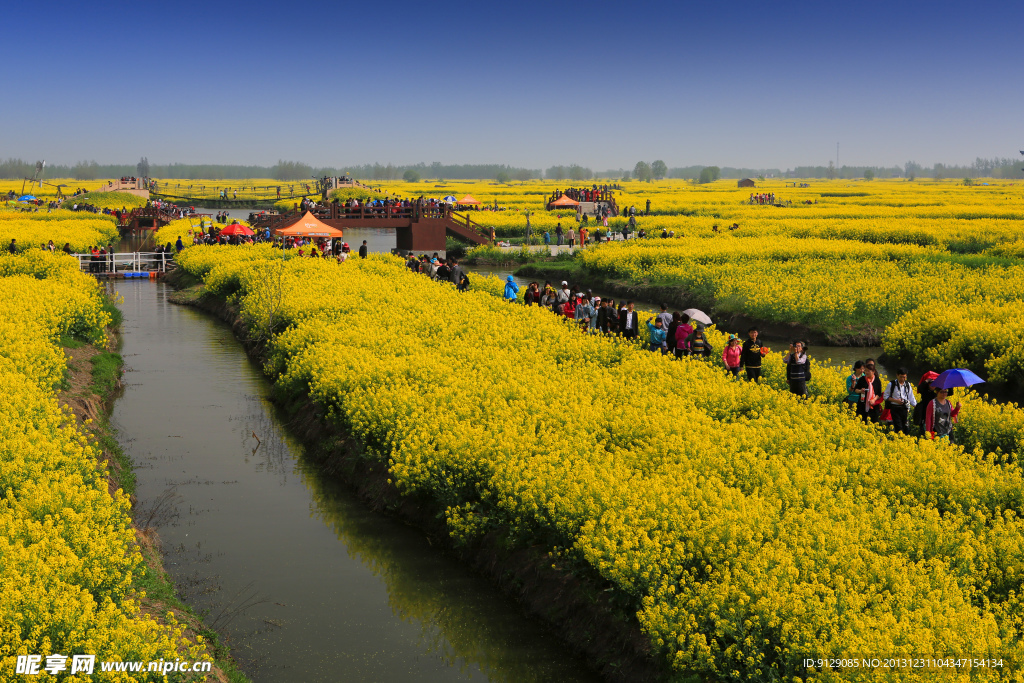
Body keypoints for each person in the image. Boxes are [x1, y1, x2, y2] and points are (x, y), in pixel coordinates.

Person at [883, 368, 917, 435]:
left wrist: (916, 406)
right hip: (895, 408)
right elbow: (885, 396)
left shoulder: (908, 385)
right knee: (898, 427)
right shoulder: (891, 384)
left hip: (905, 408)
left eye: (904, 377)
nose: (902, 379)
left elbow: (911, 397)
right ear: (897, 375)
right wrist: (896, 401)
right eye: (901, 377)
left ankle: (904, 440)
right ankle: (899, 439)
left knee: (906, 427)